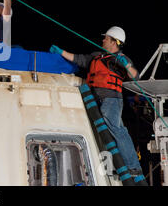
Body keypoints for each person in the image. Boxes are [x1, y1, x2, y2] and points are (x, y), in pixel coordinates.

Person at [49, 26, 144, 178]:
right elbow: (79, 59)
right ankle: (112, 166)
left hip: (111, 99)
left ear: (114, 42)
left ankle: (133, 166)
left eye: (106, 38)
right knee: (101, 133)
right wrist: (61, 52)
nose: (103, 40)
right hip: (95, 99)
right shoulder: (96, 56)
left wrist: (125, 65)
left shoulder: (120, 59)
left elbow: (135, 77)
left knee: (117, 130)